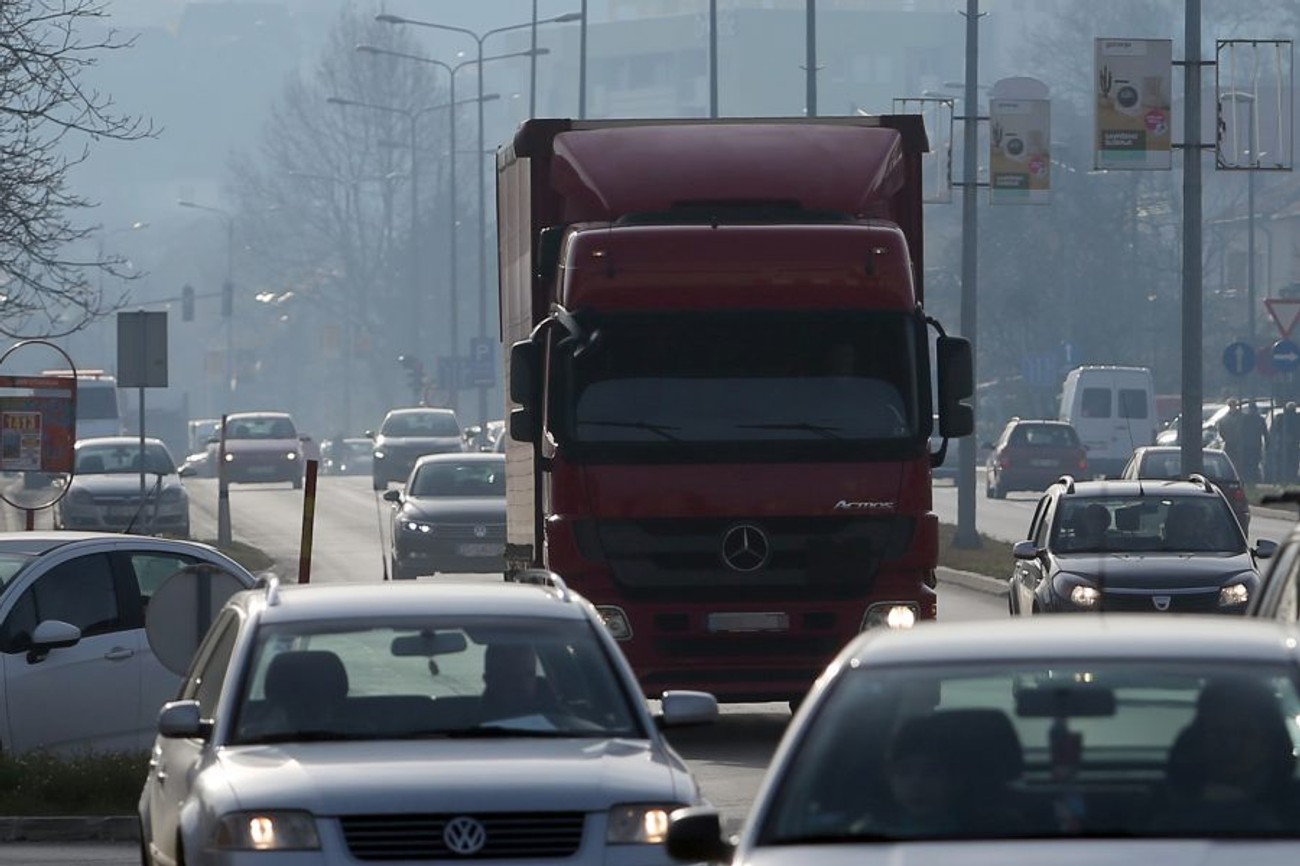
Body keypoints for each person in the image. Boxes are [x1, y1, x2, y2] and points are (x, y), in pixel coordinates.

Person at [1150, 676, 1296, 833]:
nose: (1231, 745)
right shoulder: (1165, 800)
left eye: (1245, 734)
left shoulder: (1293, 805)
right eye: (1219, 733)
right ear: (1199, 740)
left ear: (1269, 743)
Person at [480, 643, 561, 721]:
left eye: (529, 674)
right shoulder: (476, 732)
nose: (523, 682)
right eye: (512, 675)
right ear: (490, 680)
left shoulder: (564, 722)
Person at [1240, 401, 1269, 486]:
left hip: (1250, 446)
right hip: (1253, 445)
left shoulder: (1246, 419)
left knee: (1250, 464)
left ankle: (1250, 480)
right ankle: (1251, 480)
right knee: (1252, 464)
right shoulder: (1258, 419)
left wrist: (1267, 442)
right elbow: (1265, 433)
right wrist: (1267, 443)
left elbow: (1265, 432)